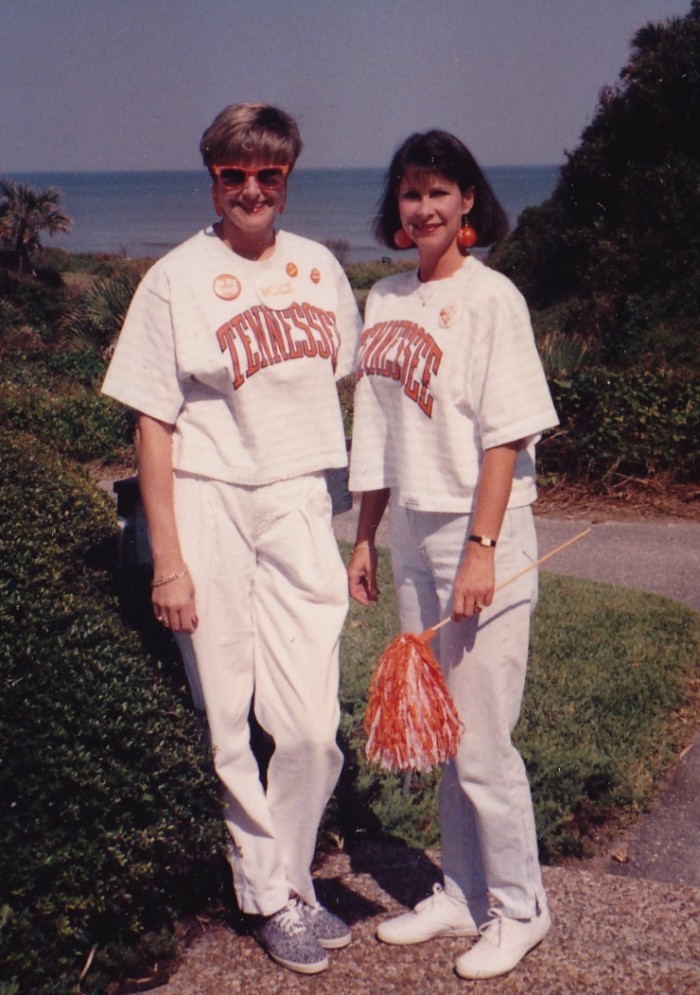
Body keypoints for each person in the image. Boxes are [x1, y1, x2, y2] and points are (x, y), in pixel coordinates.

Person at [102, 103, 362, 976]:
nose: (252, 190)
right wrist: (169, 561)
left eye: (269, 175)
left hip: (297, 499)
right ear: (211, 178)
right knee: (227, 712)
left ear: (288, 176)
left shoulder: (320, 268)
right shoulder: (176, 277)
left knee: (312, 725)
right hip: (209, 500)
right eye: (233, 175)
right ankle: (269, 893)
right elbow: (152, 425)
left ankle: (291, 877)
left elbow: (339, 383)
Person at [347, 130, 559, 981]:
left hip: (484, 531)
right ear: (396, 207)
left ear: (469, 199)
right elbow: (376, 433)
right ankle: (462, 890)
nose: (424, 207)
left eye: (440, 191)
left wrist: (479, 549)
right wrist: (363, 535)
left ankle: (521, 905)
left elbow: (508, 432)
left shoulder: (493, 297)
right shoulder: (385, 299)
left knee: (483, 742)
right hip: (410, 533)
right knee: (441, 729)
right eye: (409, 192)